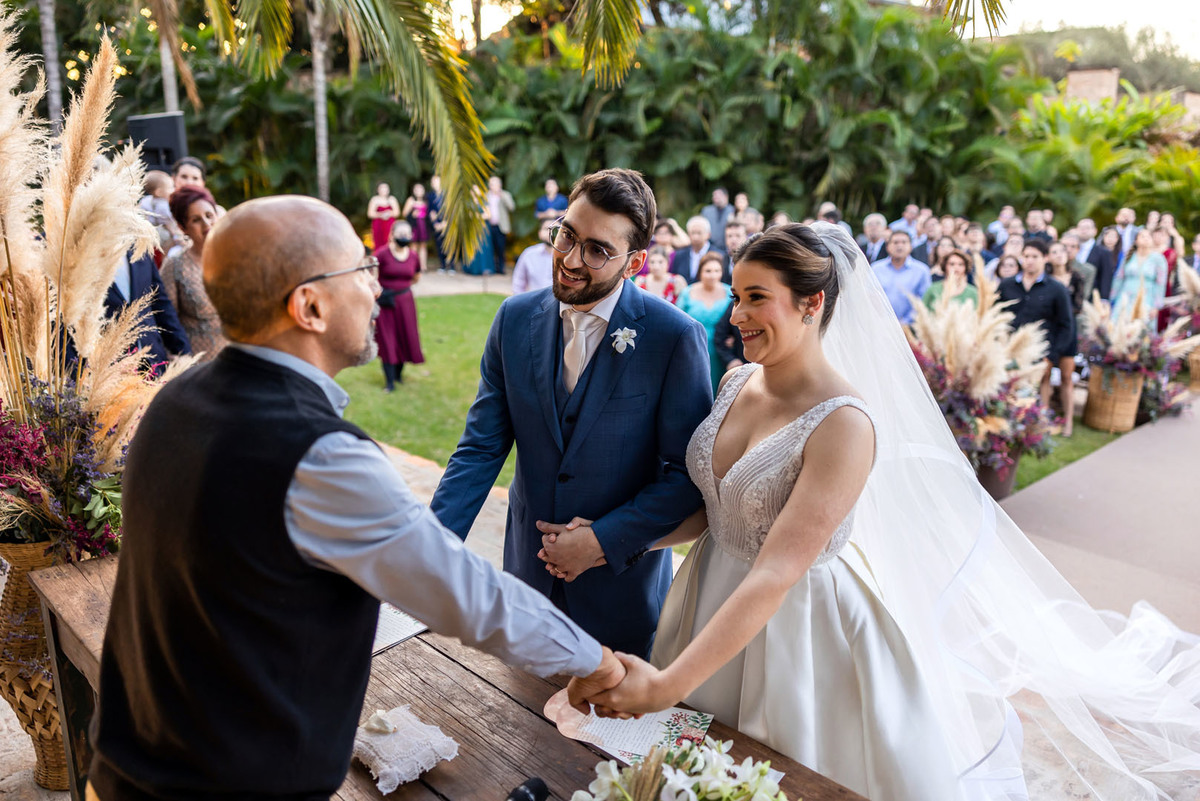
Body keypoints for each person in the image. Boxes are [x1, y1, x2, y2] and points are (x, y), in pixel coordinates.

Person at [573, 222, 1200, 801]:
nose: (738, 316)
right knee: (695, 773)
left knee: (775, 776)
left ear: (812, 302)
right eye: (737, 297)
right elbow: (719, 509)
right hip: (707, 598)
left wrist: (668, 684)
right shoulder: (737, 382)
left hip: (797, 633)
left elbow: (777, 570)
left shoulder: (845, 423)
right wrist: (610, 541)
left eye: (756, 298)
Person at [89, 195, 625, 801]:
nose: (378, 289)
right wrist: (598, 663)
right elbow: (469, 595)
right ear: (310, 305)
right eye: (361, 270)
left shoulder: (176, 400)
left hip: (129, 767)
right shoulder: (318, 455)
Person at [430, 169, 713, 658]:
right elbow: (480, 448)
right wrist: (428, 550)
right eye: (567, 236)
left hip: (617, 598)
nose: (571, 260)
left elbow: (687, 477)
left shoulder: (673, 339)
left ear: (636, 262)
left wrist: (602, 541)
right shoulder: (513, 319)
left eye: (598, 250)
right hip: (526, 585)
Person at [999, 240, 1075, 435]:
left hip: (1042, 349)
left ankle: (1038, 426)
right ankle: (1009, 425)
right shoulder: (1007, 285)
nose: (1030, 261)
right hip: (1011, 348)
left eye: (1035, 257)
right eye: (1026, 256)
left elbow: (1066, 323)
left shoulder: (1056, 289)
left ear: (1045, 258)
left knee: (1040, 388)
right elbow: (996, 315)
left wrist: (1053, 355)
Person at [160, 186, 227, 360]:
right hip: (199, 365)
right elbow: (165, 321)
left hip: (240, 360)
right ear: (183, 228)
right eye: (196, 220)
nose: (206, 224)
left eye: (209, 215)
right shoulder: (175, 265)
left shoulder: (235, 256)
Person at [104, 247, 191, 376]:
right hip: (108, 369)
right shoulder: (81, 254)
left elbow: (160, 302)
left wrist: (183, 350)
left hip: (153, 362)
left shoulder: (140, 245)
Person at [373, 220, 425, 391]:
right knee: (388, 341)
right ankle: (389, 382)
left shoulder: (413, 256)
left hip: (405, 303)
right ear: (392, 234)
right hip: (386, 303)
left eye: (407, 234)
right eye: (401, 234)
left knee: (405, 338)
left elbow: (416, 276)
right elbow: (371, 276)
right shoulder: (381, 254)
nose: (404, 237)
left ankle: (398, 376)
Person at [677, 252, 734, 391]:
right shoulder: (688, 292)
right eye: (708, 271)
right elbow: (678, 320)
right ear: (700, 272)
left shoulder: (730, 293)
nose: (713, 275)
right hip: (693, 346)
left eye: (717, 271)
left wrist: (734, 336)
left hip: (721, 348)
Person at [870, 230, 930, 324]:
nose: (900, 246)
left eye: (904, 242)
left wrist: (905, 322)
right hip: (880, 324)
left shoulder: (922, 271)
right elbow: (870, 297)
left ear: (911, 246)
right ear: (887, 247)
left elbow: (923, 300)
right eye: (895, 242)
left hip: (912, 326)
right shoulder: (876, 269)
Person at [1111, 228, 1169, 315]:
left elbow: (1160, 283)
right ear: (1136, 241)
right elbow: (1119, 278)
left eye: (1148, 236)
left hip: (1147, 299)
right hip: (1125, 297)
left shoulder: (1158, 259)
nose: (1146, 239)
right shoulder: (1128, 257)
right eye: (1142, 236)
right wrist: (1112, 298)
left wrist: (1156, 306)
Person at [512, 218, 556, 294]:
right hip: (533, 302)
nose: (550, 232)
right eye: (546, 229)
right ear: (539, 233)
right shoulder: (529, 254)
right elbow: (518, 283)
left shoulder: (567, 256)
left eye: (555, 229)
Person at [669, 216, 717, 283]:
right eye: (693, 233)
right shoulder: (679, 255)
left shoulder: (717, 255)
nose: (695, 237)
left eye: (699, 233)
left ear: (708, 234)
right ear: (688, 234)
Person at [485, 176, 516, 274]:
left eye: (494, 184)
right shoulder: (487, 195)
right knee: (490, 247)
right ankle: (492, 267)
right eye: (491, 184)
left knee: (500, 247)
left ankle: (501, 268)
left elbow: (512, 207)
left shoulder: (505, 195)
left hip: (501, 226)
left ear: (499, 185)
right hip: (489, 225)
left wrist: (501, 196)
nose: (492, 186)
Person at [401, 182, 431, 273]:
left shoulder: (426, 201)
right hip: (414, 226)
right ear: (413, 191)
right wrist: (412, 214)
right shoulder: (411, 200)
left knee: (423, 246)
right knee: (413, 246)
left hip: (424, 226)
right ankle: (413, 265)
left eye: (421, 189)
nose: (419, 191)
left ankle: (423, 266)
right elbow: (404, 213)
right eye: (416, 189)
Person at [1060, 233, 1096, 302]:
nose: (1068, 250)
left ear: (1078, 249)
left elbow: (1084, 295)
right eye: (1064, 246)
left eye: (1073, 246)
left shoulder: (1088, 270)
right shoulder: (1049, 267)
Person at [367, 181, 401, 250]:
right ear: (378, 190)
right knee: (378, 243)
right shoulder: (374, 199)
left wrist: (389, 213)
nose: (384, 190)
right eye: (381, 188)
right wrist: (380, 215)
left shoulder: (392, 199)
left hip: (390, 224)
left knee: (391, 241)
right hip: (378, 224)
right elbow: (370, 214)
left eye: (385, 188)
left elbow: (397, 213)